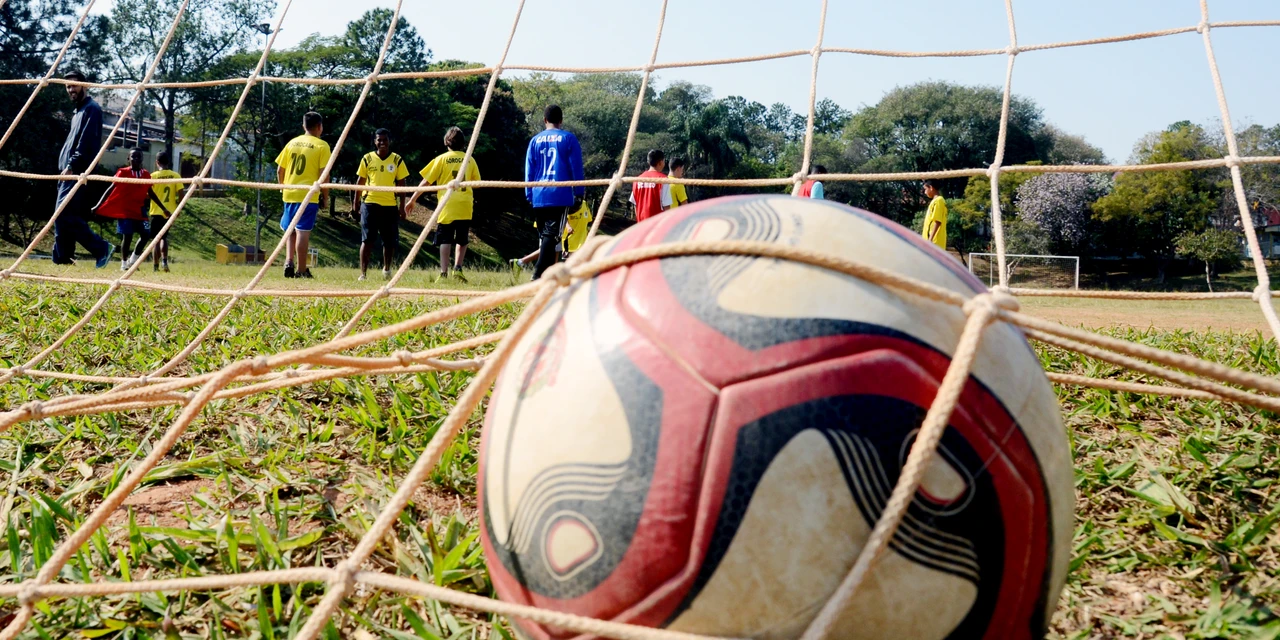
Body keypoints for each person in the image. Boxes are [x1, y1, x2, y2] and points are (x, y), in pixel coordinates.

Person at [52, 69, 114, 268]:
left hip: (76, 171)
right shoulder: (77, 111)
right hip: (66, 172)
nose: (71, 89)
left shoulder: (91, 109)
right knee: (65, 216)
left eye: (74, 85)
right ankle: (64, 257)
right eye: (68, 86)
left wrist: (72, 166)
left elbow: (87, 143)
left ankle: (101, 248)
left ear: (84, 85)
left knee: (62, 214)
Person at [406, 126, 481, 282]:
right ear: (463, 144)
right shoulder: (470, 159)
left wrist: (413, 199)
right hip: (464, 204)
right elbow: (478, 183)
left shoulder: (441, 159)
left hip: (446, 205)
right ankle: (458, 269)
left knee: (445, 239)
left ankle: (443, 272)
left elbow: (426, 181)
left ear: (447, 142)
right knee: (462, 238)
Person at [524, 104, 584, 280]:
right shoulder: (569, 138)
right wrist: (579, 192)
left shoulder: (534, 140)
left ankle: (547, 279)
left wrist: (529, 193)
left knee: (547, 238)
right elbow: (576, 168)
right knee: (552, 237)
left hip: (539, 194)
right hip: (560, 194)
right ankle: (538, 274)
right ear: (561, 120)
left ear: (544, 120)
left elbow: (529, 170)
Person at [275, 111, 331, 279]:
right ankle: (301, 270)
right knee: (302, 231)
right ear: (320, 127)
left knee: (290, 230)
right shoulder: (322, 146)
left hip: (289, 193)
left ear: (303, 126)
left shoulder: (292, 143)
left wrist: (282, 188)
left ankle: (288, 261)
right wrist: (325, 197)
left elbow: (280, 170)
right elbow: (324, 175)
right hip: (308, 195)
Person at [352, 128, 409, 281]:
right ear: (375, 142)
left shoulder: (397, 160)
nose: (382, 142)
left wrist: (402, 206)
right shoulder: (367, 158)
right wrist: (355, 205)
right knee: (367, 240)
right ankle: (363, 273)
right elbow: (360, 182)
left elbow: (402, 185)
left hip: (390, 205)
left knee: (389, 241)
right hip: (370, 204)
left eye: (385, 139)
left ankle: (387, 270)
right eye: (379, 140)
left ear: (389, 141)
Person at [91, 147, 156, 270]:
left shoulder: (146, 174)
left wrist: (163, 208)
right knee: (128, 237)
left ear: (142, 158)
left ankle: (133, 260)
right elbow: (111, 188)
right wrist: (98, 205)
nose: (136, 159)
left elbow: (150, 192)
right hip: (125, 210)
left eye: (139, 156)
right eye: (133, 156)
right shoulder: (123, 172)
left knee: (146, 234)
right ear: (128, 159)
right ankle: (124, 263)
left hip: (140, 209)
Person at [148, 151, 181, 272]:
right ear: (169, 162)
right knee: (164, 238)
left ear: (157, 162)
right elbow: (181, 193)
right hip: (170, 212)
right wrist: (178, 208)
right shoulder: (175, 175)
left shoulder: (152, 176)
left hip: (156, 211)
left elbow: (149, 194)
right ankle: (164, 262)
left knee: (155, 239)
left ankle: (155, 266)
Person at [629, 149, 670, 223]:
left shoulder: (637, 180)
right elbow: (666, 206)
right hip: (658, 225)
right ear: (660, 162)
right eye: (664, 161)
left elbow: (635, 204)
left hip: (642, 225)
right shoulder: (663, 180)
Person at [922, 178, 948, 250]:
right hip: (930, 241)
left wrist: (930, 240)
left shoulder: (939, 201)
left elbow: (938, 221)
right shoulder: (935, 201)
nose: (925, 192)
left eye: (925, 189)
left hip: (934, 242)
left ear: (931, 188)